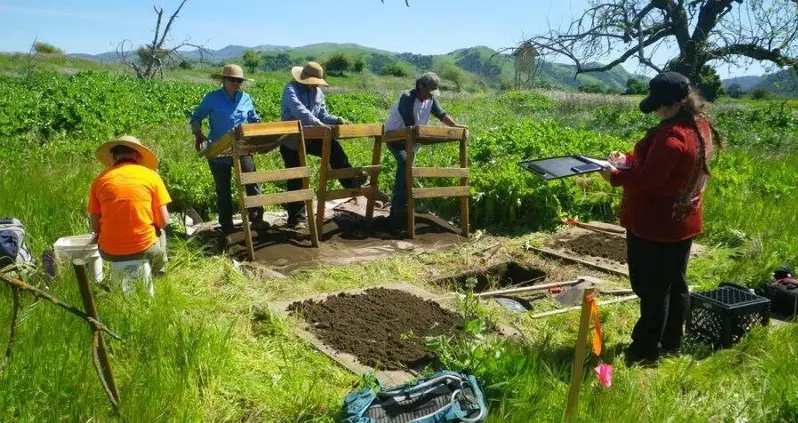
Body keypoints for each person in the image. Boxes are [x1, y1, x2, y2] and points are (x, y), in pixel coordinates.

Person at [600, 72, 722, 365]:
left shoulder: (672, 137)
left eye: (662, 105)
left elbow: (650, 179)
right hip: (683, 220)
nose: (658, 110)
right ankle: (671, 342)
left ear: (679, 102)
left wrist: (614, 176)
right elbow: (664, 169)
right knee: (675, 282)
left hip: (655, 223)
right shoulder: (699, 124)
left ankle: (645, 350)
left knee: (651, 288)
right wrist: (628, 161)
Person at [280, 61, 367, 229]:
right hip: (291, 141)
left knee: (334, 149)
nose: (314, 86)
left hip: (312, 138)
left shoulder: (318, 93)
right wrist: (319, 124)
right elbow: (300, 111)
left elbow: (323, 114)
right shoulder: (291, 89)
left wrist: (336, 120)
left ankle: (350, 182)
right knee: (297, 177)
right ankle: (296, 219)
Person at [190, 64, 267, 234]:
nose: (235, 83)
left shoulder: (245, 98)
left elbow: (253, 118)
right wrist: (198, 133)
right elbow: (196, 117)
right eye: (232, 80)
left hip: (241, 148)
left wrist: (259, 128)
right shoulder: (212, 98)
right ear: (223, 80)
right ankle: (227, 225)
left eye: (238, 80)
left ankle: (257, 219)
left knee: (252, 182)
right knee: (223, 189)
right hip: (218, 149)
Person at [383, 72, 466, 226]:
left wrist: (455, 126)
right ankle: (397, 209)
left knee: (408, 169)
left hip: (412, 140)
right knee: (405, 162)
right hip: (395, 137)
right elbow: (410, 123)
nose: (430, 95)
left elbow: (441, 114)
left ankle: (404, 205)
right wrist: (423, 134)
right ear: (420, 86)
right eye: (428, 91)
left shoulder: (430, 99)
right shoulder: (407, 97)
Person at [88, 135, 171, 278]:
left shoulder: (99, 181)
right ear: (138, 156)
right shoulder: (151, 177)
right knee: (161, 230)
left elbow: (95, 227)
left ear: (114, 157)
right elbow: (163, 221)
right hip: (145, 249)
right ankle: (159, 272)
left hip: (109, 252)